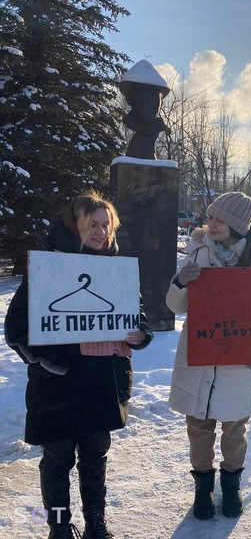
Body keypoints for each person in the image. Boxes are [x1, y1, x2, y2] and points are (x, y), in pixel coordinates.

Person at [4, 191, 153, 539]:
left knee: (95, 457)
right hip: (58, 384)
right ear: (75, 226)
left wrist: (140, 334)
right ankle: (57, 524)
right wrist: (48, 360)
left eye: (106, 225)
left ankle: (95, 522)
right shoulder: (46, 268)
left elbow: (138, 317)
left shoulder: (117, 273)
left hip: (103, 381)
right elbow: (16, 328)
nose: (101, 232)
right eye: (92, 225)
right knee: (56, 461)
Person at [166, 192, 251, 519]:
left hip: (238, 360)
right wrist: (180, 282)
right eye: (211, 217)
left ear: (236, 225)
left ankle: (231, 486)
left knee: (234, 429)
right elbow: (175, 307)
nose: (211, 223)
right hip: (199, 356)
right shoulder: (198, 252)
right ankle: (202, 488)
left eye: (219, 219)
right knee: (199, 426)